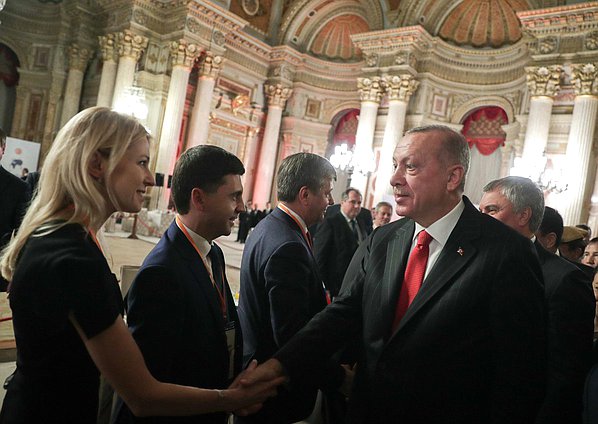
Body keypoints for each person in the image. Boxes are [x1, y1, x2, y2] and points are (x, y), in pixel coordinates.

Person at [239, 125, 547, 424]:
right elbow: (342, 314)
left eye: (410, 167)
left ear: (453, 177)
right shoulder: (384, 239)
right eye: (394, 165)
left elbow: (520, 374)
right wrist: (278, 365)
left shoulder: (508, 252)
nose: (394, 179)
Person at [0, 107, 280, 424]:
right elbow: (142, 395)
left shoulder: (64, 238)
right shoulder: (75, 259)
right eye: (142, 162)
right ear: (96, 164)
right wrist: (233, 398)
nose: (150, 177)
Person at [113, 145, 258, 423]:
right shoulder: (161, 274)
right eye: (234, 197)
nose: (241, 207)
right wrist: (227, 399)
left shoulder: (212, 252)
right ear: (199, 199)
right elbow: (148, 388)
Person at [236, 153, 346, 424]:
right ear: (305, 194)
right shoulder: (289, 246)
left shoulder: (270, 226)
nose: (330, 202)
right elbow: (291, 335)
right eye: (327, 193)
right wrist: (340, 378)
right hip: (273, 392)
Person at [480, 176, 594, 424]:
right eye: (481, 210)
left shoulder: (565, 280)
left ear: (523, 216)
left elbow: (566, 373)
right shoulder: (473, 263)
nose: (482, 218)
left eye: (492, 210)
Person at [313, 188, 367, 299]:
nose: (357, 206)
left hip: (354, 286)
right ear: (343, 202)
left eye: (359, 203)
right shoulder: (330, 223)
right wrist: (323, 287)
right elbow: (319, 258)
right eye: (353, 202)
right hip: (335, 288)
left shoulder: (361, 224)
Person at [0, 127, 30, 292]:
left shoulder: (18, 188)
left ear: (3, 150)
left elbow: (23, 234)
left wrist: (17, 273)